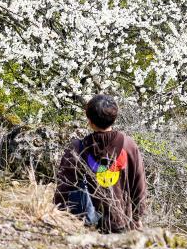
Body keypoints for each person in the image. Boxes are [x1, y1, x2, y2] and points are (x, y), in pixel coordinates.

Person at [54, 94, 147, 233]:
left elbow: (64, 185)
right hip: (121, 222)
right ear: (114, 119)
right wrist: (137, 216)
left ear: (89, 121)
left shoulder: (77, 148)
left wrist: (58, 211)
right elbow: (139, 184)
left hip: (84, 224)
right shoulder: (128, 145)